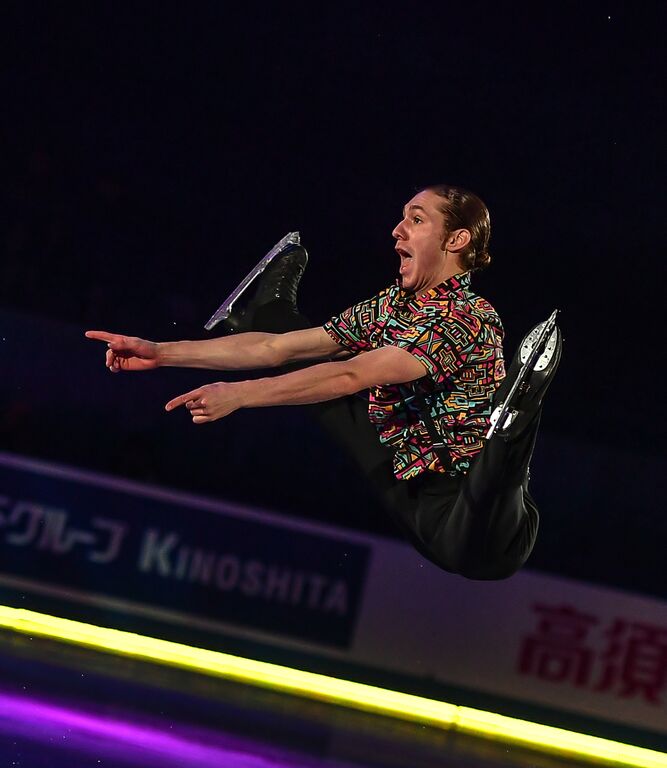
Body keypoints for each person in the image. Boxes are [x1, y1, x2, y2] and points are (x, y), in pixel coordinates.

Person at [86, 184, 561, 580]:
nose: (397, 230)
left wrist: (240, 395)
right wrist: (160, 352)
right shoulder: (391, 305)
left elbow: (350, 372)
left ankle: (517, 414)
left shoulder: (466, 317)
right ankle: (262, 312)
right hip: (410, 494)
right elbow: (277, 350)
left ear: (455, 240)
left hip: (480, 525)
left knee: (490, 471)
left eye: (416, 220)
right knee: (306, 371)